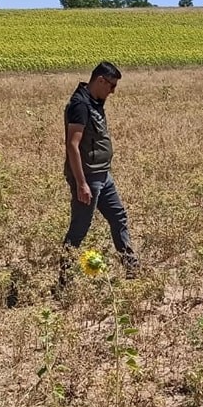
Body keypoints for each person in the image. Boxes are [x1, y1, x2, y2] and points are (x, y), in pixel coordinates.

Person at [61, 62, 138, 285]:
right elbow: (72, 146)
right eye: (111, 86)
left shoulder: (96, 101)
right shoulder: (80, 105)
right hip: (88, 178)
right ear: (100, 80)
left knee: (119, 217)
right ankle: (65, 282)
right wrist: (81, 183)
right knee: (79, 229)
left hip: (103, 174)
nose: (113, 91)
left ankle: (131, 267)